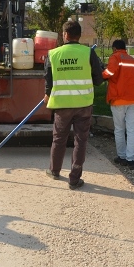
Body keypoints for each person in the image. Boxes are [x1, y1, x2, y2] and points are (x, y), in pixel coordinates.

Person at [44, 20, 103, 190]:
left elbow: (48, 79)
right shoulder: (88, 53)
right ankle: (74, 179)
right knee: (81, 140)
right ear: (79, 35)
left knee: (59, 139)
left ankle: (54, 171)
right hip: (83, 104)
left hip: (62, 105)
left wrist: (47, 93)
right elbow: (98, 80)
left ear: (65, 35)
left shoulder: (53, 54)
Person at [102, 39, 134, 170]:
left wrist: (101, 73)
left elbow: (110, 73)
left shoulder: (115, 57)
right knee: (131, 129)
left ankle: (122, 156)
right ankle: (131, 159)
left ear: (114, 48)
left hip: (118, 98)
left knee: (119, 129)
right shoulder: (133, 61)